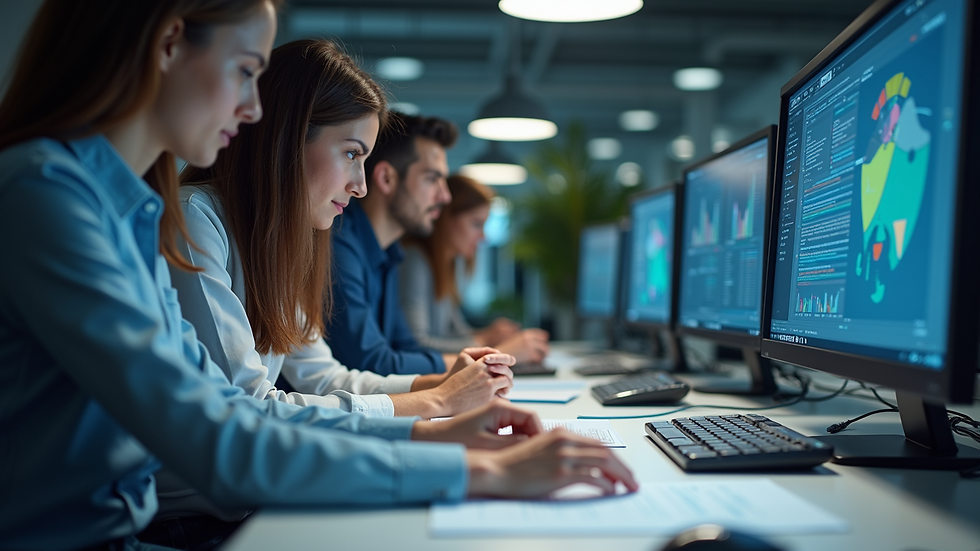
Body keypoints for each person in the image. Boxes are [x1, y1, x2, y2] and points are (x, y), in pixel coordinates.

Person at [0, 1, 637, 550]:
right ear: (168, 44)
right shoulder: (51, 198)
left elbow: (230, 414)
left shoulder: (133, 212)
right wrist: (472, 463)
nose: (253, 109)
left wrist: (434, 430)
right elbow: (224, 440)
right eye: (247, 71)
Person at [173, 39, 511, 423]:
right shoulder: (195, 219)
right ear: (289, 140)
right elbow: (247, 407)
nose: (360, 186)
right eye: (352, 154)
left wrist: (442, 382)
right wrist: (438, 401)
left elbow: (325, 378)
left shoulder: (283, 244)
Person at [325, 112, 461, 376]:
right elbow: (371, 362)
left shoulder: (390, 255)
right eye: (432, 179)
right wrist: (468, 362)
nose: (445, 196)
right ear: (386, 178)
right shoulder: (337, 242)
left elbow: (406, 347)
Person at [400, 174, 550, 364]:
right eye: (476, 224)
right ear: (447, 218)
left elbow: (453, 332)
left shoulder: (446, 265)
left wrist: (490, 335)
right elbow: (418, 344)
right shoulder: (415, 260)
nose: (483, 237)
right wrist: (490, 345)